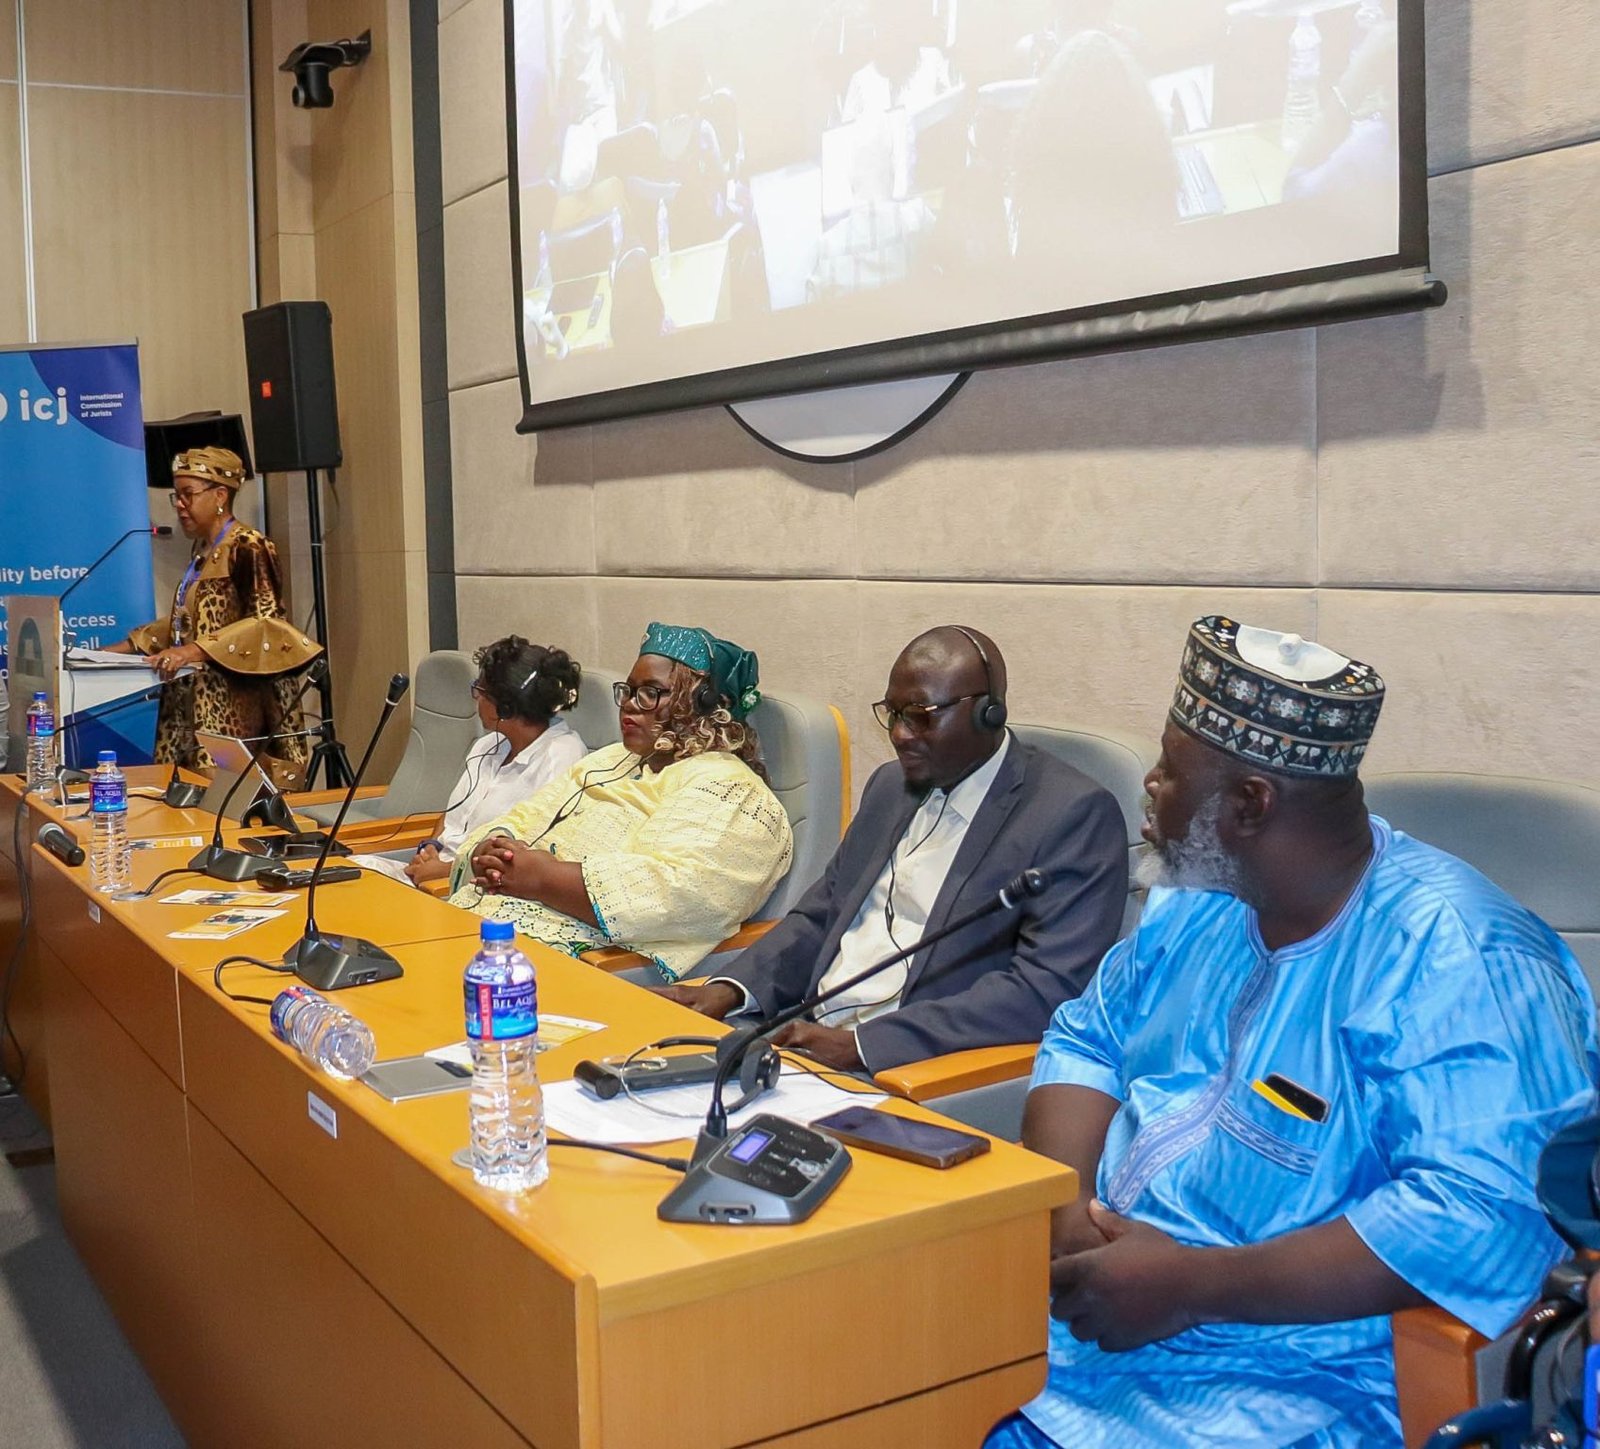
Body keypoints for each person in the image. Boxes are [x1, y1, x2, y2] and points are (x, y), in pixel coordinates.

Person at [988, 616, 1600, 1448]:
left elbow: (1481, 1217)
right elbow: (1088, 1038)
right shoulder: (1198, 902)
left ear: (1249, 804)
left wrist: (1194, 1286)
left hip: (1294, 1384)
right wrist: (1063, 1208)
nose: (1151, 785)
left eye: (1170, 769)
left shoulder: (1460, 957)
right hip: (1083, 1321)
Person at [659, 627, 1128, 1073]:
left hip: (902, 1069)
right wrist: (731, 989)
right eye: (894, 714)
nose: (901, 735)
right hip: (799, 1038)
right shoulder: (891, 785)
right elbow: (823, 914)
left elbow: (1044, 989)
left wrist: (863, 1046)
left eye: (922, 717)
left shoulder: (1071, 815)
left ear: (989, 713)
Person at [448, 622, 793, 981]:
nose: (629, 704)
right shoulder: (609, 760)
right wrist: (489, 851)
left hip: (574, 968)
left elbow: (680, 894)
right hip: (481, 931)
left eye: (650, 693)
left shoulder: (732, 790)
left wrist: (543, 878)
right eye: (629, 691)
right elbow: (523, 818)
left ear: (705, 704)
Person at [106, 448, 318, 773]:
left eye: (188, 495)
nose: (179, 505)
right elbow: (186, 621)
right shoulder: (204, 548)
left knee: (229, 810)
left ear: (220, 495)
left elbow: (267, 624)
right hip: (191, 710)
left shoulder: (249, 546)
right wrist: (118, 652)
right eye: (176, 496)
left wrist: (191, 652)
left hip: (237, 716)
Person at [351, 637, 588, 887]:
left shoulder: (561, 758)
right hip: (433, 875)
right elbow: (451, 816)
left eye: (480, 691)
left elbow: (525, 856)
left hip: (477, 889)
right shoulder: (487, 746)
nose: (475, 698)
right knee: (342, 875)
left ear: (506, 707)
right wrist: (430, 848)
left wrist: (441, 871)